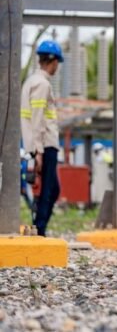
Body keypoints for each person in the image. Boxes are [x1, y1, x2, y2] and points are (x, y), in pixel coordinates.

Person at [21, 40, 63, 236]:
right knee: (49, 190)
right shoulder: (42, 84)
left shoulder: (31, 81)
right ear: (52, 61)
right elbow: (38, 118)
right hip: (45, 145)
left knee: (51, 189)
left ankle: (39, 226)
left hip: (41, 144)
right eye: (57, 63)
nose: (57, 67)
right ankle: (40, 229)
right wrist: (38, 150)